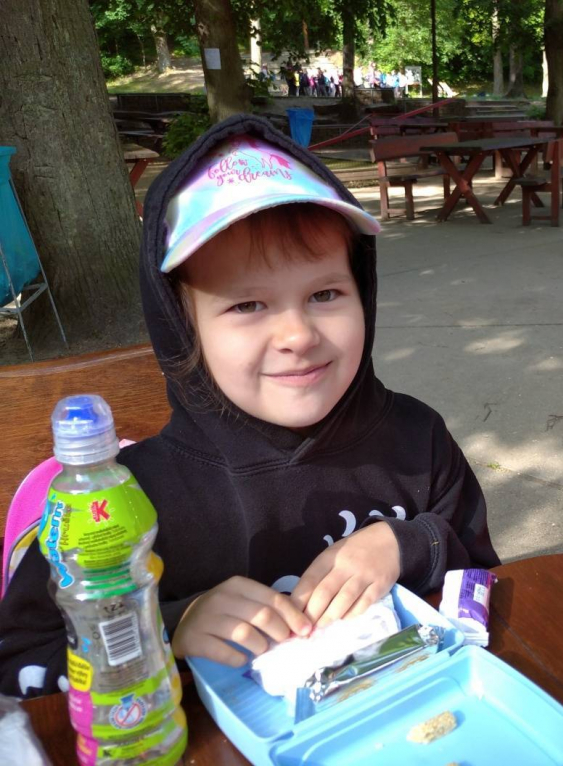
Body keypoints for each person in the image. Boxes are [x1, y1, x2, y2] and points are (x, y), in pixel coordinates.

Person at [0, 114, 500, 697]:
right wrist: (167, 628)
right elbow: (21, 661)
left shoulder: (418, 439)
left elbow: (488, 581)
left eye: (325, 293)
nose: (298, 334)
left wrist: (411, 543)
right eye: (247, 305)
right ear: (182, 326)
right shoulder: (126, 503)